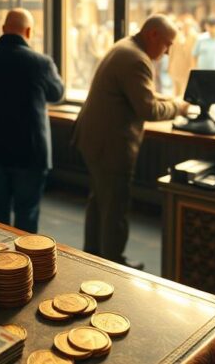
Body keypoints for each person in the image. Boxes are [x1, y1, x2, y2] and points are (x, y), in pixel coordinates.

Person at [73, 14, 190, 267]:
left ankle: (92, 255)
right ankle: (113, 264)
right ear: (153, 35)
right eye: (167, 44)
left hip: (94, 139)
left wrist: (169, 99)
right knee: (115, 207)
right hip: (111, 144)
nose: (168, 52)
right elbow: (148, 110)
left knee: (99, 201)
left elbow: (139, 91)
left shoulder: (125, 47)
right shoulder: (137, 59)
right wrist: (178, 108)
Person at [0, 9, 64, 232]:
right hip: (30, 153)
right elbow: (57, 93)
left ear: (3, 29)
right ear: (29, 31)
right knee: (26, 216)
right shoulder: (41, 63)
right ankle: (26, 264)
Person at [167, 15, 198, 97]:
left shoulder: (195, 37)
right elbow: (171, 51)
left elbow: (196, 54)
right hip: (176, 65)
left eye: (188, 25)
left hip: (188, 66)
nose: (186, 27)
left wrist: (194, 66)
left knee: (186, 89)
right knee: (176, 89)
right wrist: (169, 65)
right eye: (185, 25)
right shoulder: (177, 35)